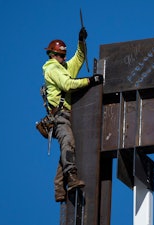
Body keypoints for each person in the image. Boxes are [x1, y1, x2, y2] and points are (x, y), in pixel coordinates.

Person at [42, 27, 103, 202]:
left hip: (67, 115)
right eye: (61, 56)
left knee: (67, 148)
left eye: (64, 56)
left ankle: (59, 188)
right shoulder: (52, 69)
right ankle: (72, 178)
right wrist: (90, 80)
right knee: (68, 142)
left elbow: (79, 58)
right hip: (59, 116)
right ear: (53, 55)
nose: (63, 59)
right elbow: (68, 85)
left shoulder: (63, 66)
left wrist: (81, 42)